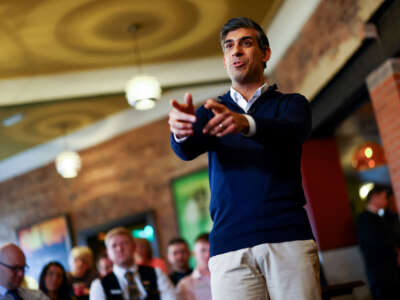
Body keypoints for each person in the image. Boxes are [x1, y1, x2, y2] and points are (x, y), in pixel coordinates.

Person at [168, 17, 321, 300]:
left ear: (265, 54)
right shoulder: (211, 109)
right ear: (225, 59)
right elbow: (185, 150)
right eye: (229, 46)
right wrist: (180, 130)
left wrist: (246, 124)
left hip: (288, 238)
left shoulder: (291, 104)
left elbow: (293, 131)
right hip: (229, 246)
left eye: (246, 43)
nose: (236, 51)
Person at [89, 227, 175, 300]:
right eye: (114, 246)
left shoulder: (156, 274)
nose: (119, 249)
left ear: (134, 247)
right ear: (108, 252)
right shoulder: (99, 285)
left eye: (124, 243)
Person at [356, 185, 400, 299]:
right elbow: (376, 244)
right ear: (375, 197)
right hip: (380, 272)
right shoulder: (364, 219)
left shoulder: (382, 217)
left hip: (391, 270)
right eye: (384, 197)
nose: (387, 200)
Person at [176, 233, 211, 300]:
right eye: (203, 250)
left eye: (211, 250)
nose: (208, 254)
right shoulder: (184, 285)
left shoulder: (226, 276)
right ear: (194, 254)